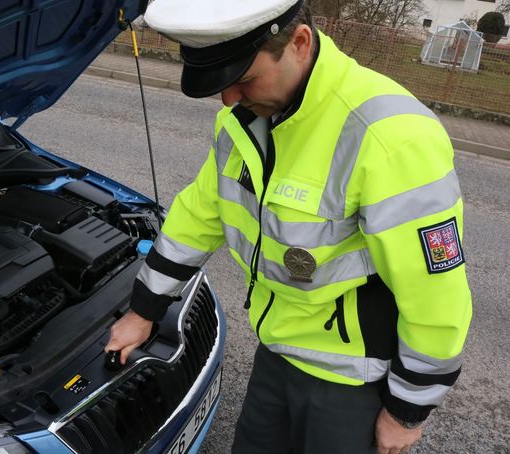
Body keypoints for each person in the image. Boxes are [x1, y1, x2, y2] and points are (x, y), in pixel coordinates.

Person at [105, 0, 473, 452]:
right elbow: (199, 216)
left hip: (352, 380)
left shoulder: (390, 136)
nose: (227, 99)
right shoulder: (243, 122)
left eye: (241, 79)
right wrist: (143, 311)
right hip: (276, 353)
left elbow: (436, 292)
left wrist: (407, 410)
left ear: (298, 43)